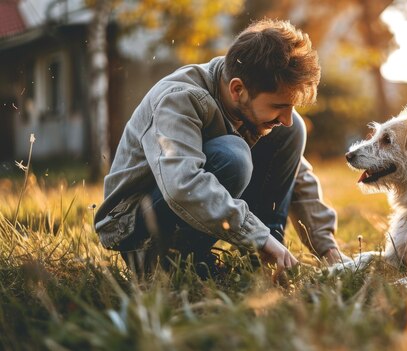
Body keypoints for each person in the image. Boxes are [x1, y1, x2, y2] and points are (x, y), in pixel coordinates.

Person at [94, 19, 349, 280]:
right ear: (237, 89)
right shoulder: (179, 99)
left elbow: (293, 172)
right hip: (136, 225)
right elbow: (182, 184)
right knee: (232, 157)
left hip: (184, 203)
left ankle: (267, 263)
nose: (286, 117)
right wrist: (257, 237)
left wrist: (327, 248)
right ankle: (173, 265)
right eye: (279, 106)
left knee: (292, 132)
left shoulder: (249, 95)